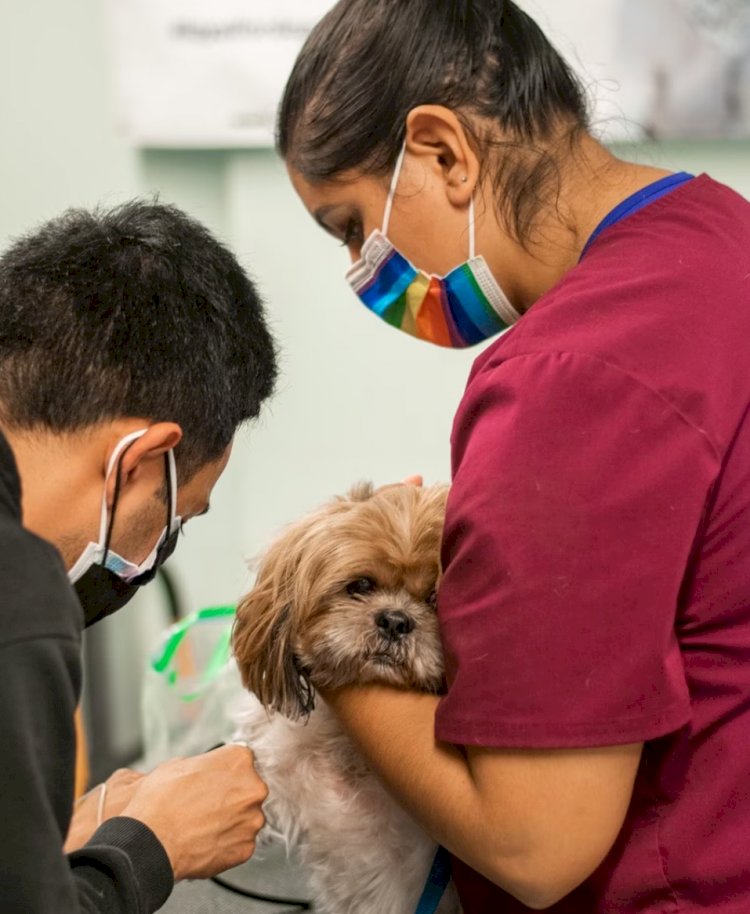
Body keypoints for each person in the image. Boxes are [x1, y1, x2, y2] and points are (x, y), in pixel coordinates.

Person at [276, 0, 750, 911]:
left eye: (350, 228)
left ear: (445, 152)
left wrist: (312, 624)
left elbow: (536, 843)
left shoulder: (565, 380)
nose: (359, 271)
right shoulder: (716, 232)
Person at [0, 200, 278, 913]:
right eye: (173, 516)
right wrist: (148, 845)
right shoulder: (18, 593)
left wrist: (55, 844)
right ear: (140, 460)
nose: (154, 552)